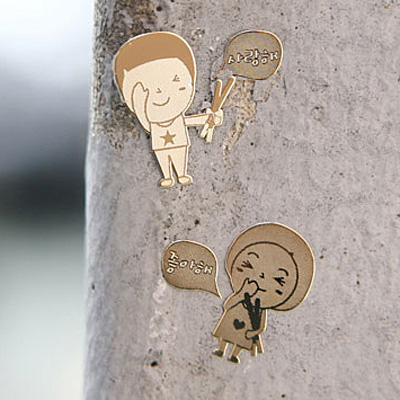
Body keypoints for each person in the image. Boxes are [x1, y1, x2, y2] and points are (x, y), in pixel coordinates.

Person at [114, 31, 223, 188]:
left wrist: (209, 118)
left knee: (180, 154)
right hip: (160, 142)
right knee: (162, 156)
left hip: (179, 139)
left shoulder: (176, 118)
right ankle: (167, 176)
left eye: (176, 81)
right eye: (149, 87)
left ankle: (181, 174)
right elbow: (144, 118)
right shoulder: (150, 121)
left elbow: (188, 121)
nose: (161, 93)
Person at [213, 223, 315, 363]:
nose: (261, 277)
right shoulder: (241, 296)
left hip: (246, 332)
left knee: (241, 342)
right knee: (226, 333)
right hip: (232, 321)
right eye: (250, 265)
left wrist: (254, 332)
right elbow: (227, 306)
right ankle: (221, 348)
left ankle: (234, 354)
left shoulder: (259, 308)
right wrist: (241, 294)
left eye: (278, 279)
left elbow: (261, 326)